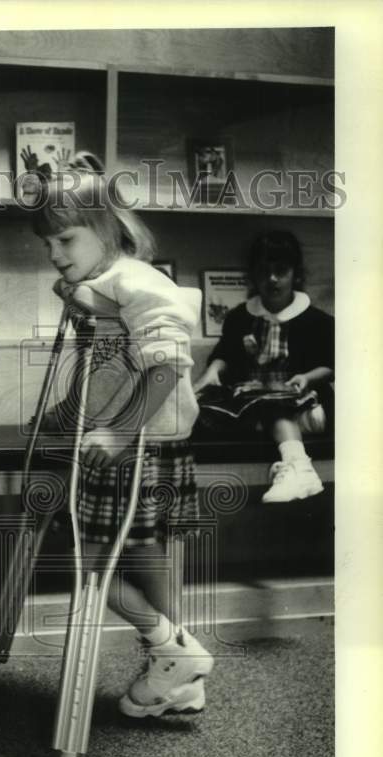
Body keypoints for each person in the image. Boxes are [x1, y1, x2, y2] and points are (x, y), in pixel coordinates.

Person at [31, 152, 214, 719]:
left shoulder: (136, 281)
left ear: (107, 227)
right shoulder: (103, 281)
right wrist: (73, 408)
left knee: (93, 569)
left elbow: (165, 365)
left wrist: (117, 433)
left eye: (65, 240)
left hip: (138, 447)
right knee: (139, 552)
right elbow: (111, 363)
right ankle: (177, 670)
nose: (56, 256)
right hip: (129, 441)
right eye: (49, 246)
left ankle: (171, 649)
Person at [193, 230, 334, 503]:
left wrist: (306, 377)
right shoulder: (239, 317)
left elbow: (331, 364)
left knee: (271, 405)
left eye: (281, 271)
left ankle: (299, 468)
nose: (272, 279)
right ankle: (291, 466)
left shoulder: (316, 320)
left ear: (296, 273)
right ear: (253, 275)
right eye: (264, 271)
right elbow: (226, 355)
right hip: (253, 403)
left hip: (307, 406)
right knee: (212, 410)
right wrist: (211, 373)